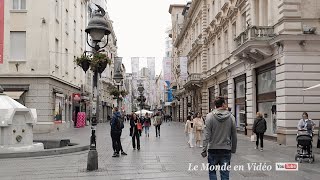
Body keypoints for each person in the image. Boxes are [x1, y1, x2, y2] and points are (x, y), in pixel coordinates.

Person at [201, 96, 237, 180]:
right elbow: (234, 135)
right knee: (225, 173)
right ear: (223, 104)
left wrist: (204, 149)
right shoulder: (231, 117)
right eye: (225, 102)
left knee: (212, 172)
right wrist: (233, 149)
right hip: (226, 149)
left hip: (212, 149)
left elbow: (206, 135)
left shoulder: (209, 116)